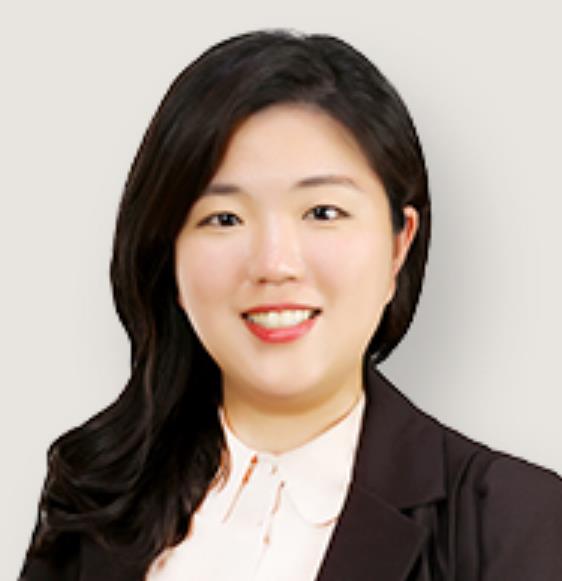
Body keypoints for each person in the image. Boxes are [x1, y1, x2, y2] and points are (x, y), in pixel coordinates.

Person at [19, 29, 562, 581]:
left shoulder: (515, 520)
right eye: (224, 218)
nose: (275, 264)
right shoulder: (94, 501)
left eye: (323, 212)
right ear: (169, 257)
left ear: (400, 243)